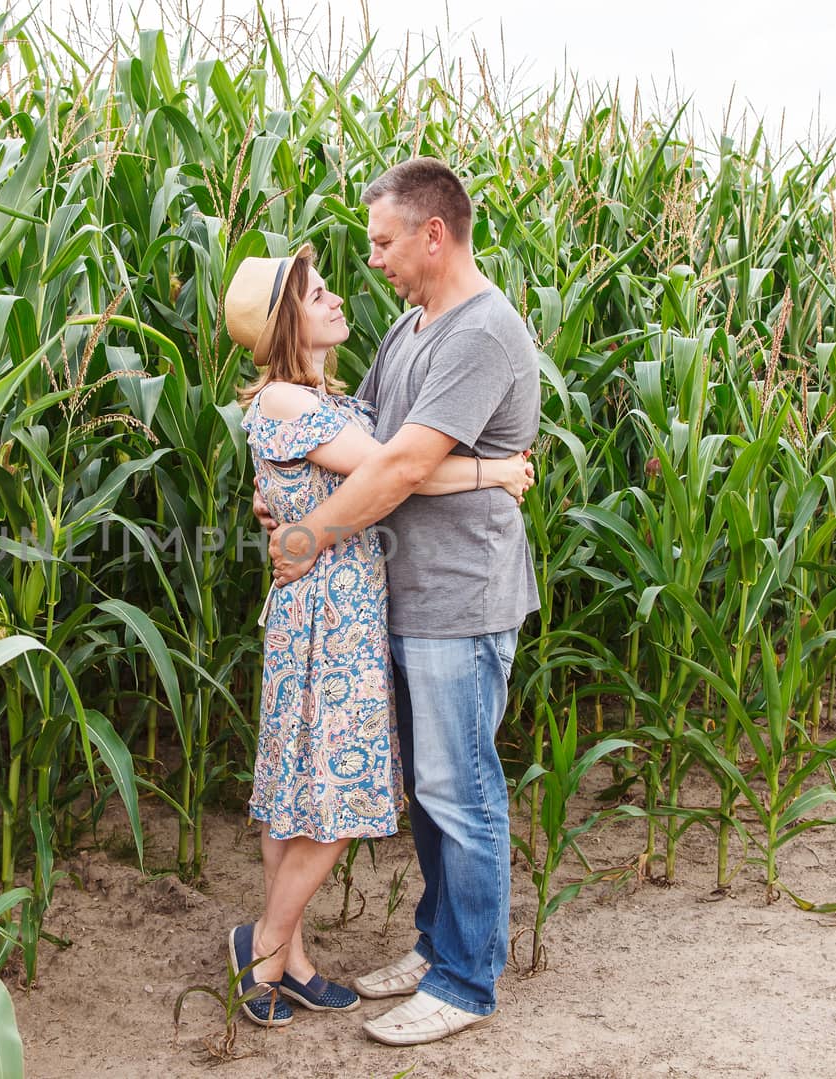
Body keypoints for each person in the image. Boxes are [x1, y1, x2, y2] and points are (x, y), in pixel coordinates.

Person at [262, 158, 541, 1046]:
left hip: (462, 597)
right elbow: (364, 442)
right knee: (432, 792)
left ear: (433, 234)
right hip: (407, 596)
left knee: (463, 791)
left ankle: (467, 979)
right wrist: (287, 497)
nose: (374, 259)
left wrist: (306, 539)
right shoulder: (412, 329)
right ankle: (437, 943)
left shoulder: (481, 332)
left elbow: (404, 465)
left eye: (383, 242)